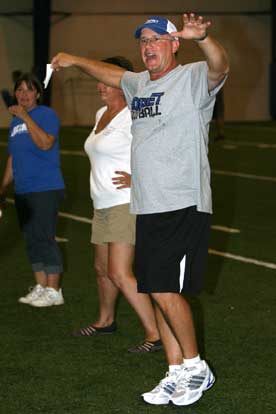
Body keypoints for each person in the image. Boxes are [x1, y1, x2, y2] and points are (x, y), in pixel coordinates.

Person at [51, 12, 229, 407]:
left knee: (166, 289)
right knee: (152, 286)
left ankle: (197, 366)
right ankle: (175, 370)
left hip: (182, 201)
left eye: (157, 39)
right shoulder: (139, 84)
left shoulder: (193, 77)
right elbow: (111, 75)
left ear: (174, 44)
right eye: (143, 40)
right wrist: (75, 59)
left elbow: (220, 67)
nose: (148, 46)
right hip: (146, 205)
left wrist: (203, 39)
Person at [72, 56, 162, 354]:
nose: (100, 85)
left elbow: (159, 148)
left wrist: (139, 178)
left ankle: (155, 334)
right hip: (101, 202)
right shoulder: (101, 113)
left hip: (125, 202)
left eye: (105, 80)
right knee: (101, 269)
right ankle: (105, 320)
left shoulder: (134, 116)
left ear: (120, 82)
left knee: (120, 272)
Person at [0, 73, 65, 307]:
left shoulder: (46, 115)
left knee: (44, 237)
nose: (23, 94)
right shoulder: (16, 122)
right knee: (31, 240)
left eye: (29, 90)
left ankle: (54, 290)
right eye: (19, 90)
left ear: (38, 93)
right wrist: (3, 187)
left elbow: (45, 143)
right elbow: (13, 157)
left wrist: (25, 116)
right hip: (24, 190)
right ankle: (40, 286)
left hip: (45, 188)